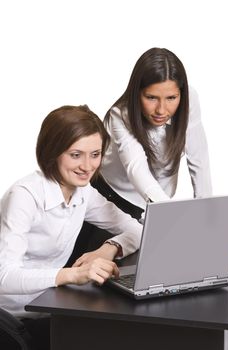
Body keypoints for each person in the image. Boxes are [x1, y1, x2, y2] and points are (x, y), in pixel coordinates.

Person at [0, 105, 142, 350]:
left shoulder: (83, 192)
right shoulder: (24, 195)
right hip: (12, 318)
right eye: (76, 155)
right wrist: (73, 275)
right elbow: (4, 277)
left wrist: (108, 249)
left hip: (50, 305)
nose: (87, 166)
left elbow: (137, 229)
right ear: (52, 152)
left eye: (95, 154)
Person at [92, 47, 228, 257]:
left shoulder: (190, 99)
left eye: (171, 98)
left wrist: (211, 229)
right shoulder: (121, 114)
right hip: (111, 201)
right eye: (151, 97)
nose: (161, 110)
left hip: (156, 206)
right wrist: (179, 225)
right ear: (138, 92)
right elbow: (137, 169)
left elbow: (199, 161)